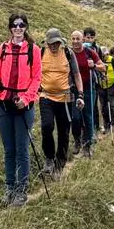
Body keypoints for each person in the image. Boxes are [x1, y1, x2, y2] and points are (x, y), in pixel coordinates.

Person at [0, 12, 41, 206]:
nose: (18, 28)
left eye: (21, 25)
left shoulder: (33, 49)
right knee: (9, 149)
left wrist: (26, 99)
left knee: (22, 150)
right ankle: (9, 188)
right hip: (3, 103)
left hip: (23, 106)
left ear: (26, 27)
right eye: (14, 25)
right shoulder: (3, 48)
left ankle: (21, 190)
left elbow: (37, 78)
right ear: (10, 27)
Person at [37, 28, 80, 179]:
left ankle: (60, 163)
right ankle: (49, 158)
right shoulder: (41, 53)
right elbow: (34, 73)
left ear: (61, 42)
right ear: (46, 43)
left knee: (63, 131)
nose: (53, 46)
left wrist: (80, 94)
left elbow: (76, 74)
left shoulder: (68, 53)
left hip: (66, 97)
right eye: (51, 43)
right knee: (46, 126)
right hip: (46, 96)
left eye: (56, 43)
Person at [74, 28, 101, 155]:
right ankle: (77, 140)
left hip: (89, 88)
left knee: (88, 116)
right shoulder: (69, 53)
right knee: (76, 118)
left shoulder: (89, 52)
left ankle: (87, 144)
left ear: (82, 39)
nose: (75, 41)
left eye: (77, 39)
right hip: (73, 90)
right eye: (73, 39)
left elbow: (103, 67)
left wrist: (94, 66)